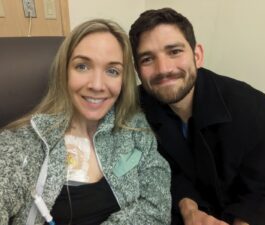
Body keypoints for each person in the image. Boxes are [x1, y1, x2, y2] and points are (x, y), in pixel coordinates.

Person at [129, 7, 265, 225]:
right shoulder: (136, 110)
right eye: (147, 59)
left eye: (174, 51)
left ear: (197, 55)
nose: (164, 69)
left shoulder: (254, 107)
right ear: (137, 70)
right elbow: (163, 174)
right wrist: (190, 210)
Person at [0, 19, 171, 225]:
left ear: (123, 80)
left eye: (112, 71)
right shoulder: (23, 144)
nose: (97, 85)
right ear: (64, 72)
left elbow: (157, 208)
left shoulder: (135, 130)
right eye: (82, 66)